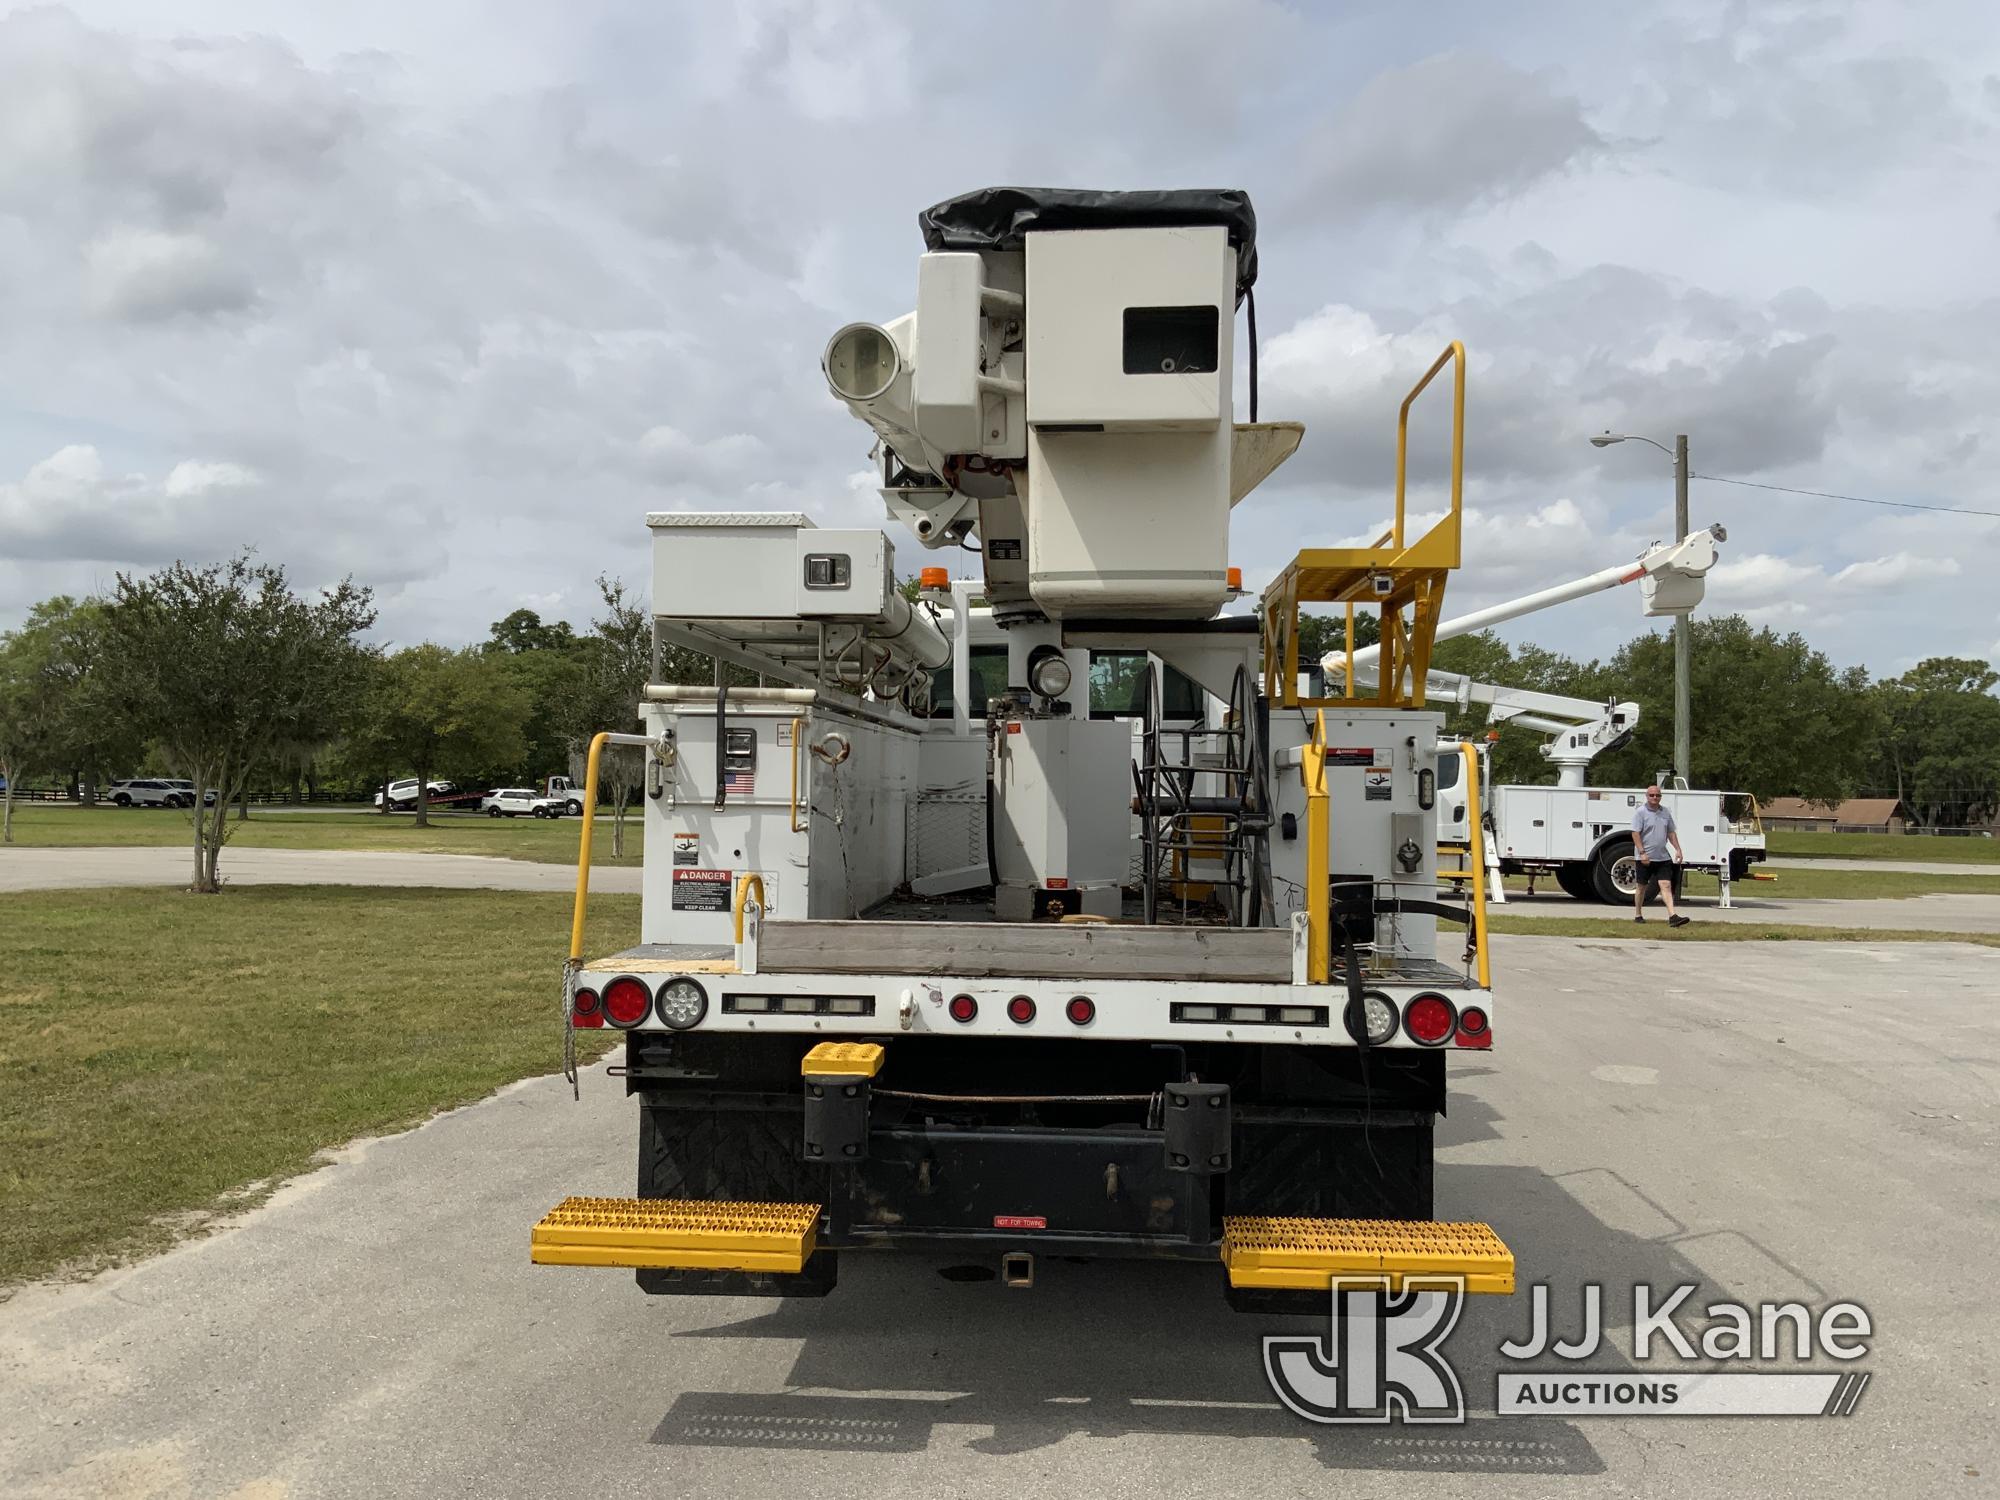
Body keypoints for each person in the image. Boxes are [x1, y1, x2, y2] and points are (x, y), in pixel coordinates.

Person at [1631, 785, 1690, 927]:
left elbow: (1671, 832)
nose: (1654, 798)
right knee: (1641, 887)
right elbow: (1635, 833)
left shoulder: (1665, 812)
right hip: (1645, 858)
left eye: (1657, 795)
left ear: (1660, 797)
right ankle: (1638, 914)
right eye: (1651, 795)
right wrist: (1642, 852)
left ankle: (1673, 916)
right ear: (1647, 796)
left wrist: (1678, 849)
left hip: (1662, 857)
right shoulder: (1640, 812)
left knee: (1666, 885)